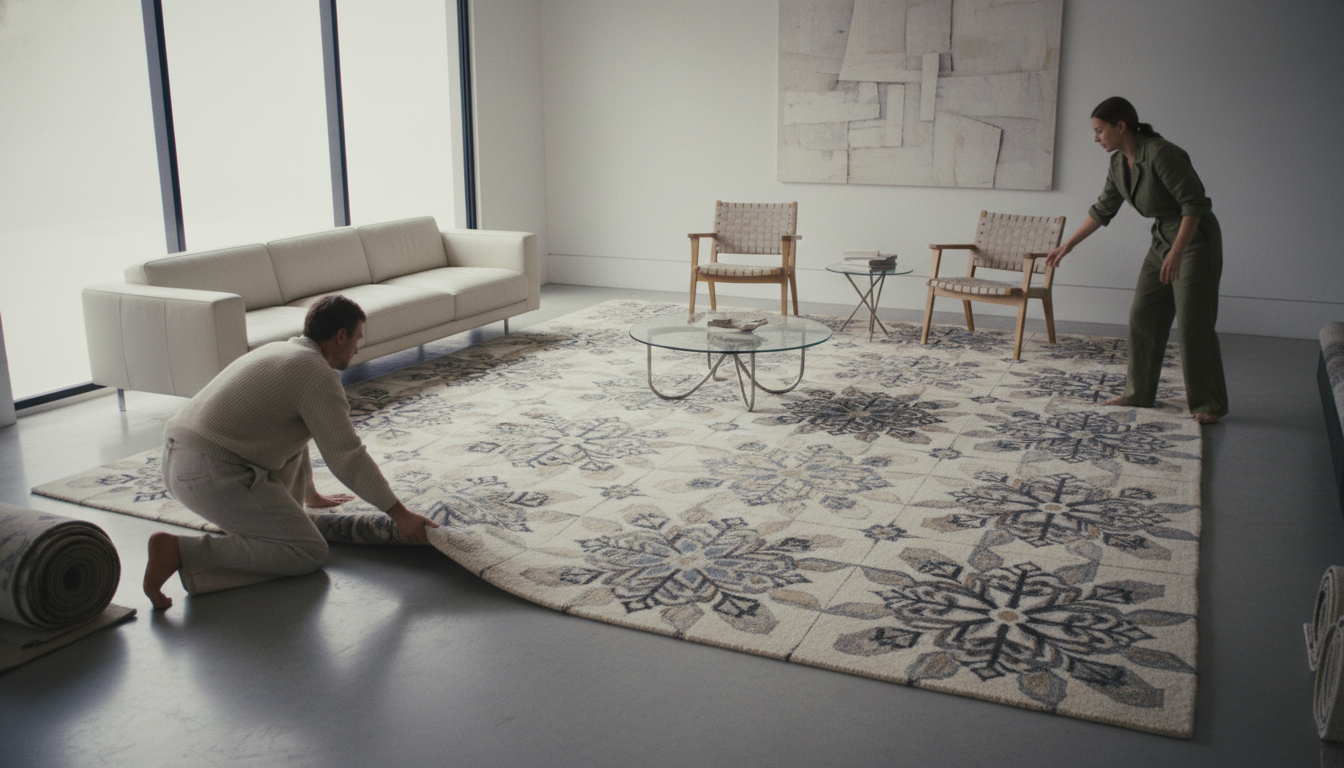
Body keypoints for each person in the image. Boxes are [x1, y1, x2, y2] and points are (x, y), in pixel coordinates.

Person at [143, 295, 438, 609]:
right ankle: (180, 551)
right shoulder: (317, 375)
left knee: (290, 444)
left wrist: (310, 494)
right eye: (357, 338)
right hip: (209, 474)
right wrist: (400, 515)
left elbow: (293, 434)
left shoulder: (279, 351)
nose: (357, 348)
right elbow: (347, 455)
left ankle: (259, 532)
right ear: (341, 336)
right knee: (308, 551)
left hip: (179, 462)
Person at [1045, 96, 1228, 424]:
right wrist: (1067, 246)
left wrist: (1177, 252)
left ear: (1120, 126)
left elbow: (1194, 204)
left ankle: (1209, 403)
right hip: (1162, 239)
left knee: (1193, 323)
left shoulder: (1162, 154)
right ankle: (1139, 392)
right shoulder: (1118, 164)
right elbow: (1102, 210)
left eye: (1099, 131)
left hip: (1193, 239)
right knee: (1143, 315)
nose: (1096, 139)